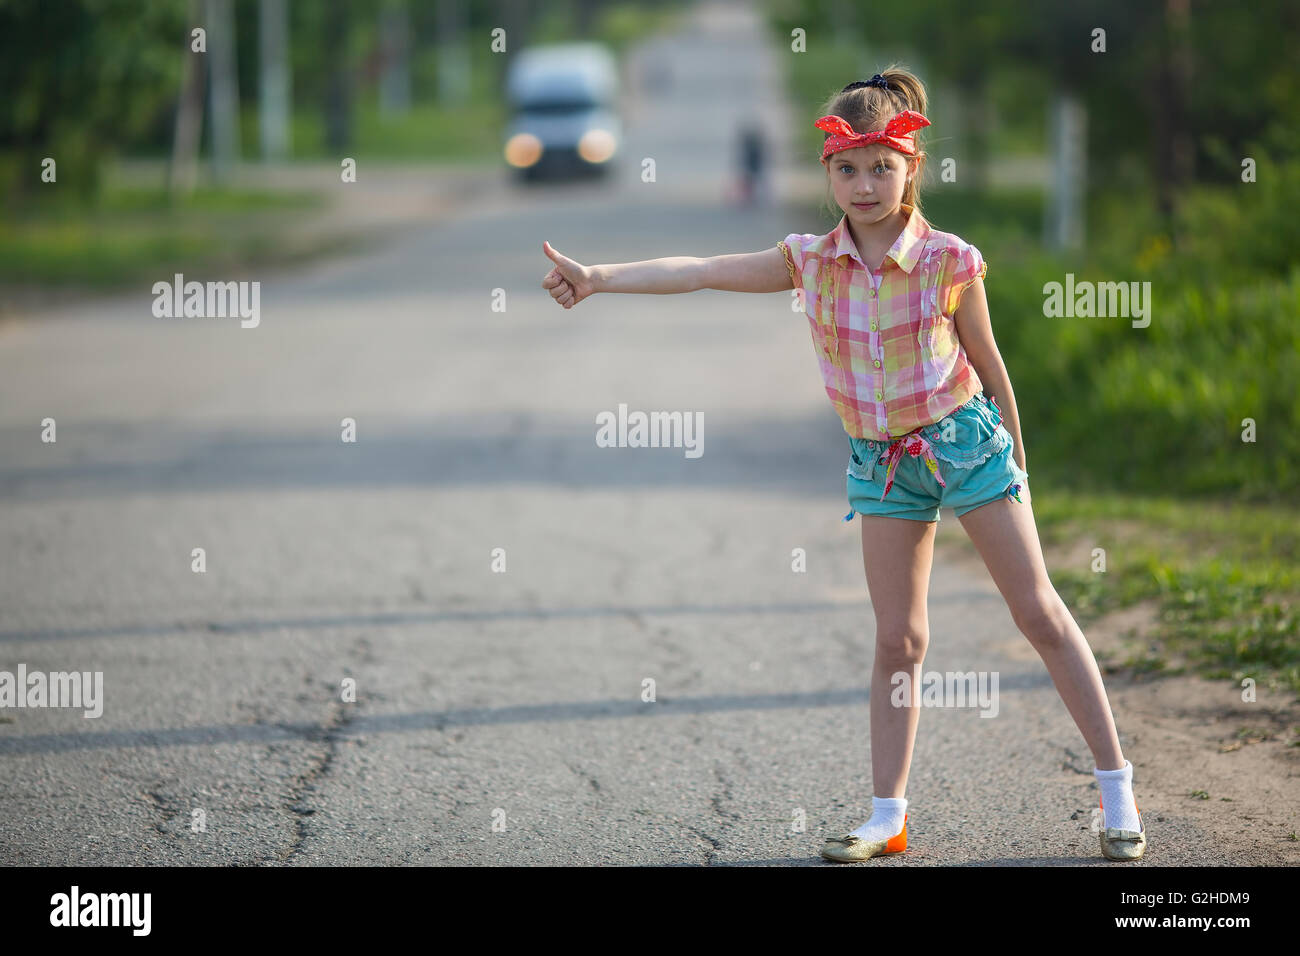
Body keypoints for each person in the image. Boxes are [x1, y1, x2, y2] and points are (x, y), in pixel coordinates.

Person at [538, 66, 1146, 864]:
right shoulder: (807, 261)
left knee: (1038, 612)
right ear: (827, 172)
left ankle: (1116, 793)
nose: (865, 186)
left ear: (911, 170)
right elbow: (702, 269)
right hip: (881, 463)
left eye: (882, 169)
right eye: (848, 170)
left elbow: (990, 367)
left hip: (964, 442)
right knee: (899, 640)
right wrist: (601, 278)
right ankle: (886, 817)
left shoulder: (949, 260)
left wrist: (1019, 466)